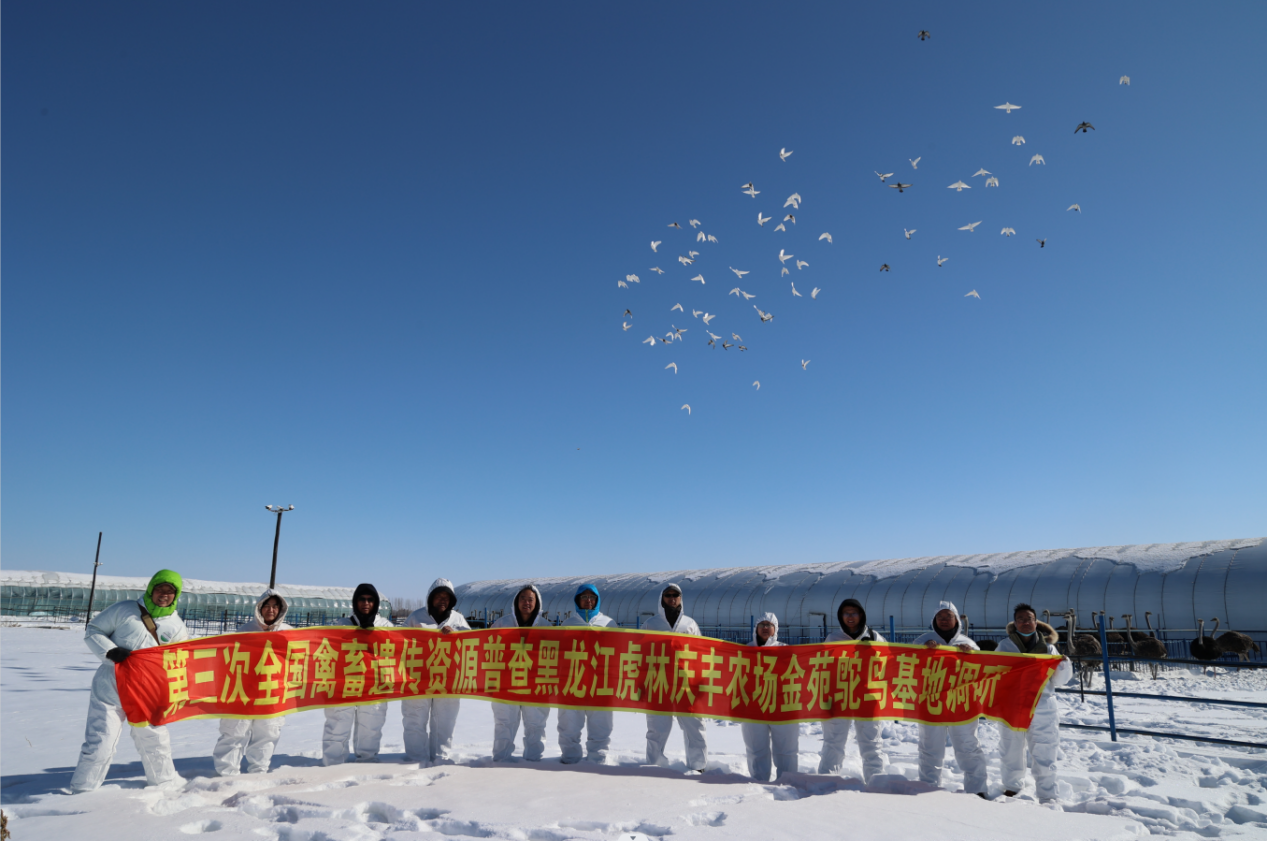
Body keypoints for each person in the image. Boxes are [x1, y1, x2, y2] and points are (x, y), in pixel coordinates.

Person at [70, 570, 190, 792]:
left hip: (147, 693)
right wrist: (110, 652)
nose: (164, 594)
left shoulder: (177, 626)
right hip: (110, 689)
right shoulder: (124, 610)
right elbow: (94, 629)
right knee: (100, 743)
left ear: (176, 595)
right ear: (151, 589)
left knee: (155, 741)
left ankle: (163, 788)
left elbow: (180, 660)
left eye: (170, 591)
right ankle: (82, 791)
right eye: (160, 589)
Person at [996, 603, 1074, 802]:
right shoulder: (1005, 647)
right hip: (1013, 706)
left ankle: (1047, 793)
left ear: (1035, 622)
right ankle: (1012, 786)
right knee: (1011, 747)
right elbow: (994, 674)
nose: (1025, 623)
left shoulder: (1048, 648)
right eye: (1020, 619)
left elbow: (1059, 680)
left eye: (1029, 619)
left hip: (1042, 706)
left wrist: (1063, 665)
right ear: (1015, 623)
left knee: (1045, 749)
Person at [910, 601, 988, 797]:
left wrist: (972, 657)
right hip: (931, 704)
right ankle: (928, 789)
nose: (944, 620)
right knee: (929, 749)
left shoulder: (968, 644)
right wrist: (921, 654)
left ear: (957, 619)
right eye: (940, 617)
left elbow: (983, 671)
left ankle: (977, 791)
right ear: (934, 620)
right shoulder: (921, 642)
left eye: (949, 616)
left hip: (961, 704)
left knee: (969, 747)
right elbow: (907, 668)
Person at [212, 589, 293, 776]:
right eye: (267, 605)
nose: (271, 610)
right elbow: (228, 660)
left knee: (267, 733)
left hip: (272, 693)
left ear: (281, 609)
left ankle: (258, 772)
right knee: (235, 731)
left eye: (275, 606)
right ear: (259, 607)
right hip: (243, 691)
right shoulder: (245, 631)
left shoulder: (289, 633)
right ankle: (227, 773)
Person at [322, 583, 394, 766]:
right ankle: (333, 764)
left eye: (370, 600)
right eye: (361, 599)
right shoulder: (341, 626)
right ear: (355, 602)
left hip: (374, 686)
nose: (366, 603)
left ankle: (366, 764)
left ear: (376, 603)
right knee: (338, 724)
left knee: (370, 727)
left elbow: (397, 654)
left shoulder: (386, 627)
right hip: (345, 684)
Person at [401, 578, 470, 765]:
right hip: (417, 679)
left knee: (445, 722)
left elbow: (472, 645)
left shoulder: (458, 620)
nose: (442, 600)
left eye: (446, 597)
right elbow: (398, 643)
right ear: (430, 598)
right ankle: (416, 759)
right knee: (414, 719)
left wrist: (457, 635)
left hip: (448, 680)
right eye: (438, 596)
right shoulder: (415, 618)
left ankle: (441, 758)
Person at [818, 598, 887, 782]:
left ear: (861, 615)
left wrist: (874, 654)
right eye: (846, 613)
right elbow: (823, 670)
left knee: (872, 744)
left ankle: (876, 781)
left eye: (853, 613)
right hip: (839, 697)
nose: (850, 617)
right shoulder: (833, 639)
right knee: (833, 743)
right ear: (841, 616)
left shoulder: (875, 638)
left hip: (868, 698)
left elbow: (890, 664)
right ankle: (827, 781)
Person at [643, 583, 708, 774]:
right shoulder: (651, 625)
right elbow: (641, 654)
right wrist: (642, 682)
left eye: (676, 595)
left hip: (686, 685)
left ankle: (698, 766)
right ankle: (654, 765)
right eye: (668, 595)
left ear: (681, 598)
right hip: (659, 684)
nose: (672, 598)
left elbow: (700, 653)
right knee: (657, 729)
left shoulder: (689, 624)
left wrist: (700, 681)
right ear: (661, 599)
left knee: (695, 726)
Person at [489, 584, 551, 761]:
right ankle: (501, 760)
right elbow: (486, 648)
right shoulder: (502, 624)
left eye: (530, 599)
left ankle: (533, 761)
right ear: (516, 601)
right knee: (504, 724)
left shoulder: (546, 627)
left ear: (536, 602)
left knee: (536, 725)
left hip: (535, 685)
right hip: (506, 685)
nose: (526, 602)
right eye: (523, 598)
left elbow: (557, 656)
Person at [557, 584, 614, 764]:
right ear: (577, 600)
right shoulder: (567, 624)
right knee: (569, 723)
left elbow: (619, 651)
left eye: (592, 597)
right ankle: (570, 758)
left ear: (597, 600)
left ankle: (597, 760)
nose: (588, 600)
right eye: (584, 597)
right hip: (573, 681)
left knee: (601, 724)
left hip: (600, 682)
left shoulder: (609, 623)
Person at [740, 613, 800, 781]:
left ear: (775, 629)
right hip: (753, 707)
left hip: (781, 706)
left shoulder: (786, 650)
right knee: (755, 748)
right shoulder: (746, 650)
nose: (765, 628)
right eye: (762, 624)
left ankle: (788, 781)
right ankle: (759, 781)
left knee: (786, 748)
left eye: (769, 624)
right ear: (756, 629)